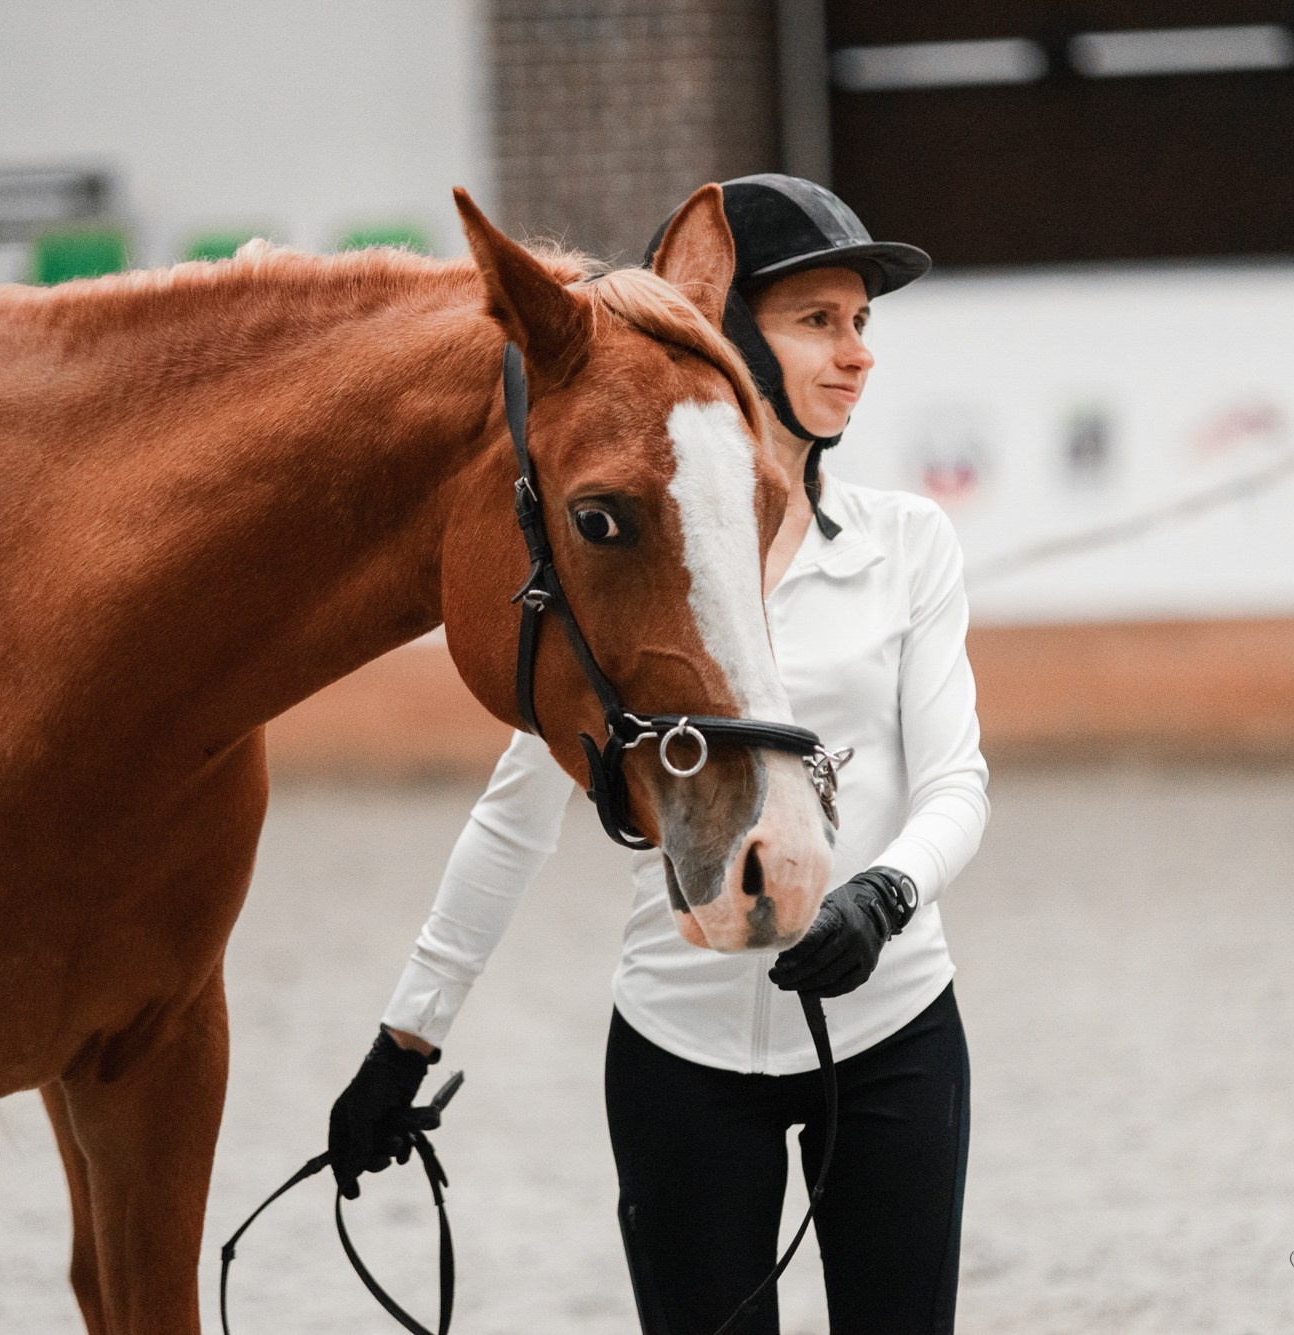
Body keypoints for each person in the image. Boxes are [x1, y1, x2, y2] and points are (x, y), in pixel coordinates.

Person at [327, 174, 990, 1335]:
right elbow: (514, 815)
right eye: (815, 322)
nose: (855, 355)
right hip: (678, 1051)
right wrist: (404, 1040)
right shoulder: (632, 566)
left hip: (889, 1035)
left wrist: (882, 897)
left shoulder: (905, 545)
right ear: (720, 331)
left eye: (861, 323)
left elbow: (954, 784)